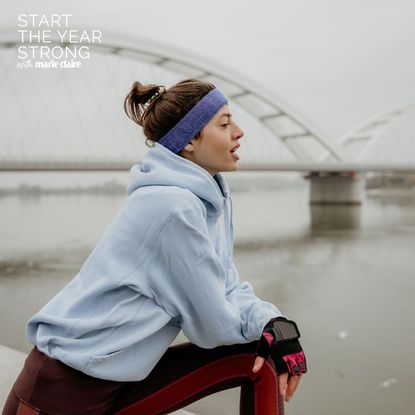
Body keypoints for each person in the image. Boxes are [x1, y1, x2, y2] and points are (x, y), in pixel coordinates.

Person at [3, 79, 307, 415]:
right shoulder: (172, 207)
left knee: (258, 355)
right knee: (258, 357)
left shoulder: (202, 200)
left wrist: (275, 324)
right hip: (67, 392)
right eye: (224, 124)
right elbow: (212, 324)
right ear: (190, 140)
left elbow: (226, 285)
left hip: (107, 378)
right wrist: (273, 332)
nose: (239, 132)